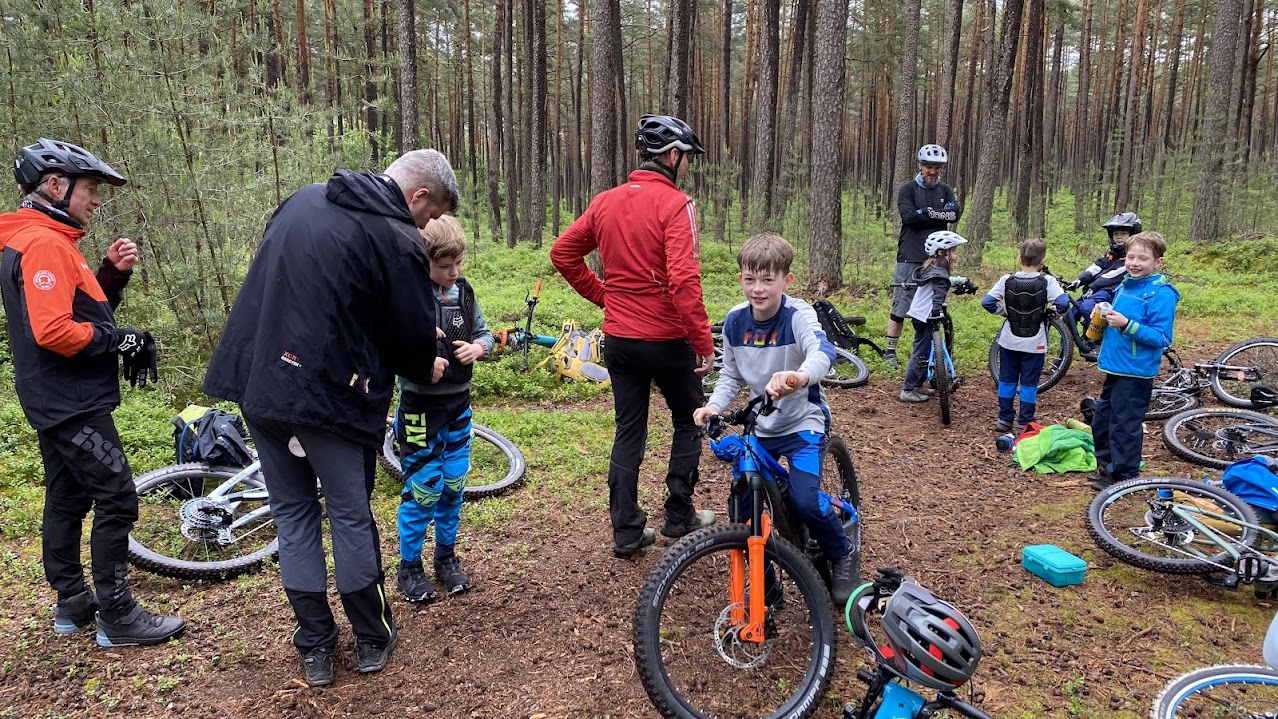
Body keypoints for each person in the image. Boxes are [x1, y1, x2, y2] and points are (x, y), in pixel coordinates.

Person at [203, 149, 458, 687]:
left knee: (292, 513)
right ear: (418, 195)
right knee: (348, 513)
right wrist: (425, 364)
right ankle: (370, 637)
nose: (426, 226)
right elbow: (408, 332)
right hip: (330, 399)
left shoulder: (301, 201)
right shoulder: (396, 237)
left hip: (260, 386)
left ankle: (315, 645)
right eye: (431, 214)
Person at [0, 138, 184, 647]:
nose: (97, 200)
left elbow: (78, 310)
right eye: (90, 189)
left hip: (53, 394)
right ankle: (118, 615)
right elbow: (53, 331)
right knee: (118, 498)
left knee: (68, 496)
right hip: (71, 400)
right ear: (55, 185)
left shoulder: (43, 239)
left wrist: (110, 276)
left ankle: (73, 600)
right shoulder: (43, 244)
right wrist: (122, 340)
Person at [550, 114, 717, 559]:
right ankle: (678, 514)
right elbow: (684, 280)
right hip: (667, 339)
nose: (688, 166)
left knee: (629, 430)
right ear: (673, 156)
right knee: (689, 419)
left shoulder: (605, 202)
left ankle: (626, 530)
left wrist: (607, 297)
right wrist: (703, 342)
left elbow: (562, 253)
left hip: (621, 340)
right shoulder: (676, 204)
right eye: (688, 158)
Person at [694, 233, 858, 606]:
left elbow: (822, 351)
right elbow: (731, 375)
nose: (758, 288)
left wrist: (799, 377)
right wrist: (713, 406)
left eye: (768, 280)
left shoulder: (798, 314)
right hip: (760, 426)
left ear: (787, 280)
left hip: (803, 424)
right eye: (750, 279)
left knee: (804, 501)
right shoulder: (735, 321)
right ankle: (766, 581)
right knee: (742, 507)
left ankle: (842, 551)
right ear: (740, 278)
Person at [393, 214, 494, 604]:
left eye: (458, 263)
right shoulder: (410, 296)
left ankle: (446, 557)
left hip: (458, 404)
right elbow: (390, 347)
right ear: (425, 262)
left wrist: (478, 348)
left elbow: (484, 333)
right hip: (420, 409)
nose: (453, 272)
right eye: (444, 266)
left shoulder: (464, 293)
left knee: (453, 484)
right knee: (424, 489)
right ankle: (409, 566)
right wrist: (420, 357)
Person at [1087, 231, 1179, 491]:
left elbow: (1162, 337)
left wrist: (1127, 324)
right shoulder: (1126, 285)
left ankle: (1124, 475)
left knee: (1124, 425)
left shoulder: (1161, 293)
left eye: (1143, 258)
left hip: (1136, 370)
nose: (1135, 263)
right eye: (1130, 257)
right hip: (1115, 365)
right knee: (1102, 419)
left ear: (1158, 262)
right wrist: (1103, 314)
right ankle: (1107, 466)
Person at [886, 144, 962, 369]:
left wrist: (926, 212)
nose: (933, 171)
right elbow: (909, 217)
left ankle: (933, 353)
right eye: (929, 167)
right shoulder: (908, 190)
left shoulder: (945, 190)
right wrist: (937, 215)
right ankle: (890, 352)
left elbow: (954, 214)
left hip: (938, 257)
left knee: (935, 305)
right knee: (902, 304)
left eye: (937, 168)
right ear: (920, 166)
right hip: (910, 254)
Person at [981, 239, 1069, 431]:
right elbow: (1063, 303)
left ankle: (1004, 419)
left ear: (1020, 259)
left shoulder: (1007, 280)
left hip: (1008, 340)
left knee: (1007, 379)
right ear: (1043, 261)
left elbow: (987, 302)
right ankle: (1025, 421)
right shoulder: (1047, 282)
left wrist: (1005, 312)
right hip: (1035, 342)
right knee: (1029, 383)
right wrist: (1051, 313)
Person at [899, 231, 968, 403]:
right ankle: (908, 389)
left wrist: (963, 281)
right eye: (953, 251)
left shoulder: (934, 267)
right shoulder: (939, 271)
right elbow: (938, 293)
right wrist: (937, 311)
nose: (956, 255)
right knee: (921, 352)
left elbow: (945, 282)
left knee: (926, 349)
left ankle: (917, 385)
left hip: (921, 314)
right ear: (942, 252)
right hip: (926, 316)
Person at [1066, 212, 1142, 358]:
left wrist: (1092, 287)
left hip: (1110, 293)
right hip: (1096, 293)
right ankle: (1063, 355)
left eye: (1123, 233)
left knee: (1087, 307)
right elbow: (1094, 268)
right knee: (1069, 317)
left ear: (1133, 235)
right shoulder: (1110, 255)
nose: (1119, 237)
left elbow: (1111, 276)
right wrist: (1078, 281)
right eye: (1116, 233)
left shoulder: (1131, 258)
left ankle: (1099, 342)